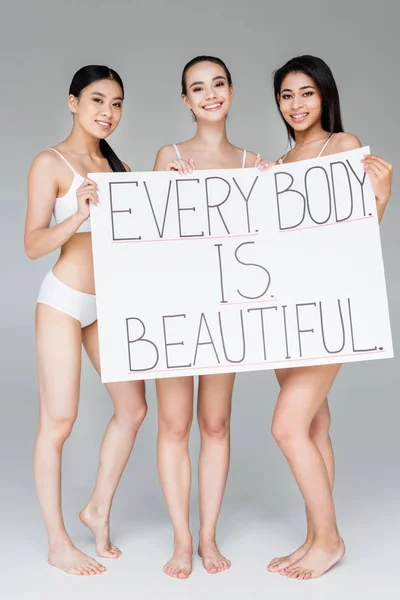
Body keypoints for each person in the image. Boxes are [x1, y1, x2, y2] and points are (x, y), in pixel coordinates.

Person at [265, 55, 392, 580]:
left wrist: (382, 194)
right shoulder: (280, 160)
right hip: (282, 309)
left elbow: (357, 233)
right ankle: (316, 535)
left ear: (325, 97)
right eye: (287, 95)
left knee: (287, 426)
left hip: (326, 307)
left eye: (306, 93)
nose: (296, 104)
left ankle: (330, 540)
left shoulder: (342, 146)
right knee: (315, 423)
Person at [24, 65, 147, 576]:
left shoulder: (118, 166)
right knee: (60, 421)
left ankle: (96, 507)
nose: (108, 113)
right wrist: (75, 216)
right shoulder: (50, 163)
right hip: (64, 300)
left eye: (117, 103)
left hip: (106, 305)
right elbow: (32, 245)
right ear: (73, 102)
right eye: (98, 100)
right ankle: (57, 541)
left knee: (133, 408)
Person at [153, 55, 263, 579]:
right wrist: (162, 185)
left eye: (218, 83)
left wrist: (274, 190)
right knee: (174, 425)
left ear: (232, 91)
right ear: (185, 101)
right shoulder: (168, 155)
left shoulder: (254, 164)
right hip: (173, 309)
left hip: (226, 312)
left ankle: (207, 535)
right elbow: (147, 239)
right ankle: (179, 539)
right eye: (198, 88)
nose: (210, 94)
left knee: (215, 423)